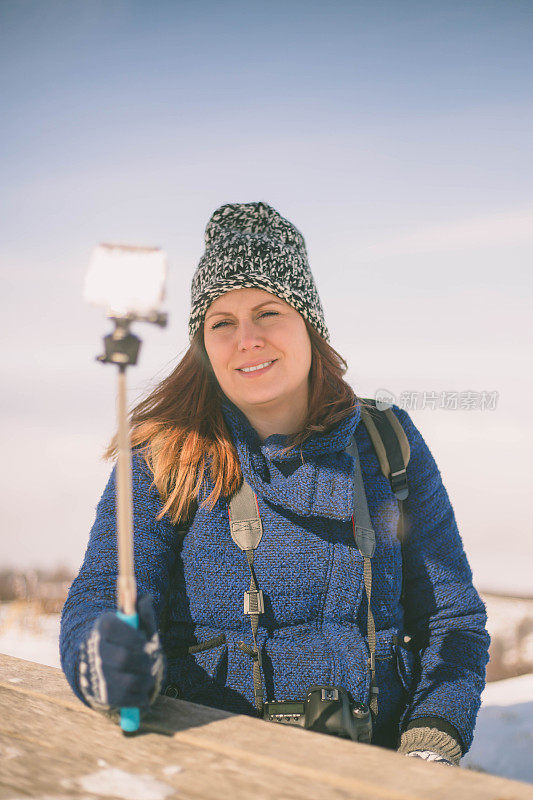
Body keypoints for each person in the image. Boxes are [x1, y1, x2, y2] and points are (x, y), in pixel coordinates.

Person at [60, 201, 490, 765]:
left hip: (375, 776)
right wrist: (99, 653)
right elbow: (101, 591)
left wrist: (433, 737)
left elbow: (452, 620)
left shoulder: (388, 444)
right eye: (222, 322)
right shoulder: (164, 455)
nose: (247, 339)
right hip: (207, 771)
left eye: (268, 313)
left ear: (309, 324)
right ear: (202, 343)